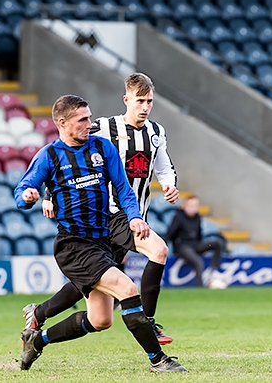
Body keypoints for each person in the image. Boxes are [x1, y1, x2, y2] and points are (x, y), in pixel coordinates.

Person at [14, 94, 186, 372]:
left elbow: (124, 190)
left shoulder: (102, 147)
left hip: (101, 242)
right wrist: (29, 196)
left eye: (90, 118)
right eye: (82, 120)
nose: (88, 124)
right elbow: (21, 191)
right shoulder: (50, 155)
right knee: (127, 288)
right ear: (62, 123)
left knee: (100, 320)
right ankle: (158, 360)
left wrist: (133, 218)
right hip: (73, 246)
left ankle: (38, 340)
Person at [166, 195, 224, 288]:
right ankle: (201, 286)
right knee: (198, 262)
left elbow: (199, 235)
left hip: (195, 245)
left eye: (196, 206)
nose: (194, 208)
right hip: (182, 246)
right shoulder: (178, 217)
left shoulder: (198, 218)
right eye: (191, 206)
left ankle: (214, 270)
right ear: (185, 206)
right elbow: (170, 234)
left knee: (217, 244)